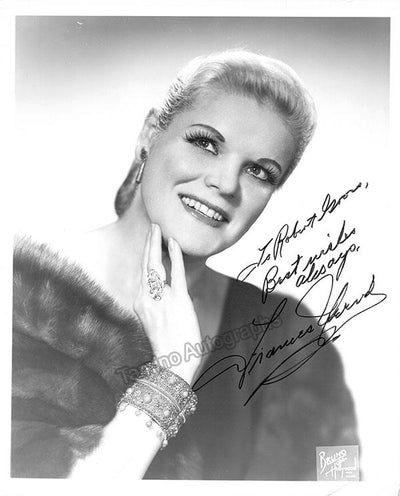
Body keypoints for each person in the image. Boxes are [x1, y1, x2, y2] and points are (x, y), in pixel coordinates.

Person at [12, 50, 359, 479]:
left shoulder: (287, 333)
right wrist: (171, 374)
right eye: (206, 144)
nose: (226, 184)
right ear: (149, 134)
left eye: (259, 172)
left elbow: (342, 479)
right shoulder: (20, 295)